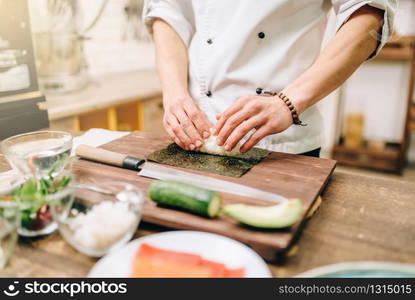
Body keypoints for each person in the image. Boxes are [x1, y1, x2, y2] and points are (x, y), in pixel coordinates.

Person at [143, 0, 395, 157]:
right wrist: (175, 94)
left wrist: (289, 101)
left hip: (282, 144)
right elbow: (167, 11)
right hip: (195, 137)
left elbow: (369, 13)